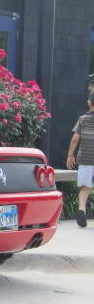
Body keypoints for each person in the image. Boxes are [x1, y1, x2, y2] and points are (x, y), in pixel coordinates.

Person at [66, 93, 94, 228]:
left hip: (85, 159)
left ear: (89, 102)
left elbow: (75, 139)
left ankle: (82, 209)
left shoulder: (82, 119)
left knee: (85, 188)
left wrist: (70, 156)